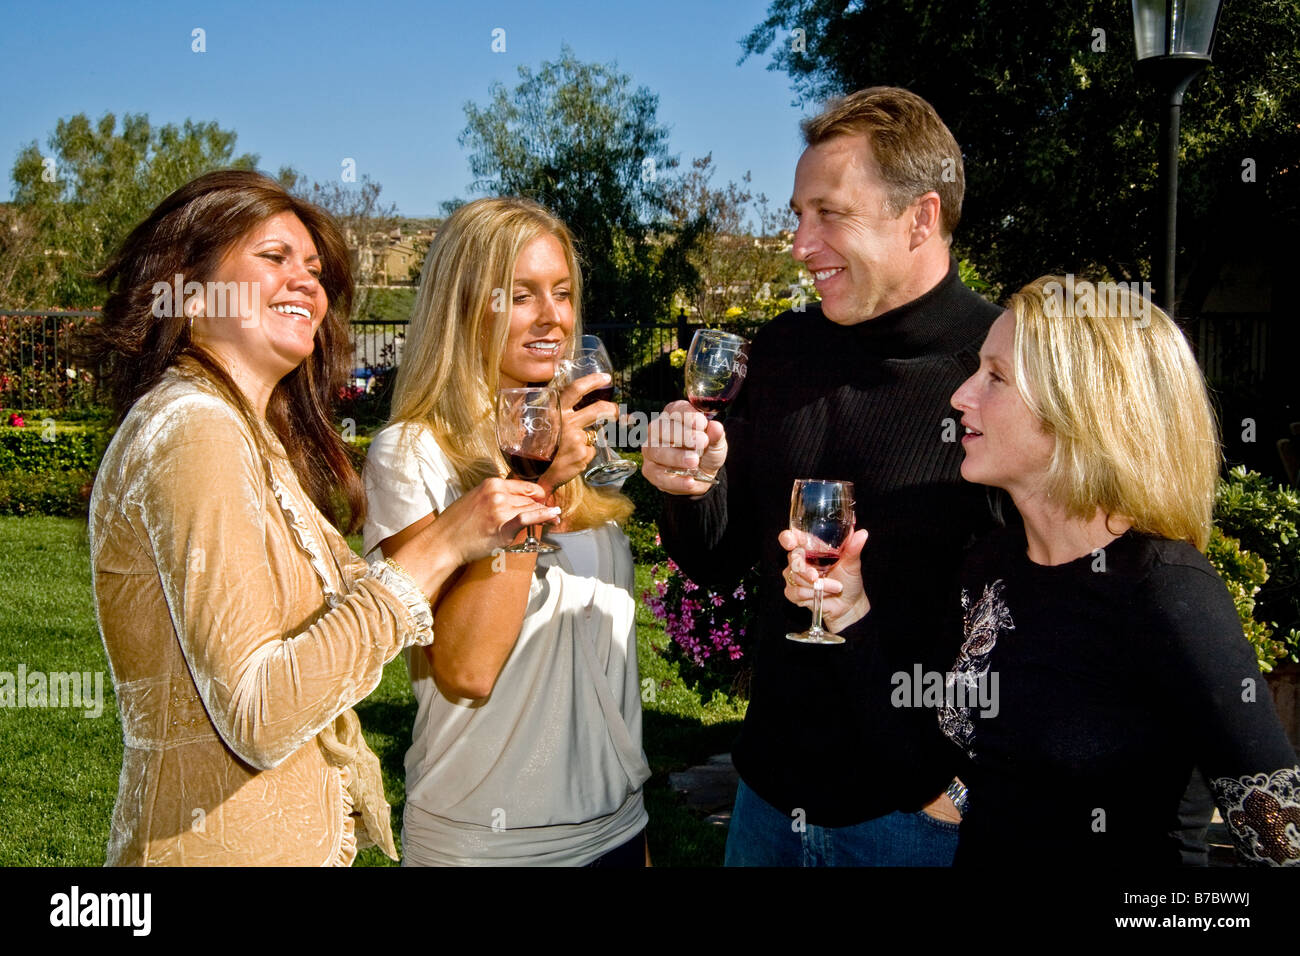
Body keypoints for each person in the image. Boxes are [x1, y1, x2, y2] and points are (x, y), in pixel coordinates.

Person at [86, 171, 555, 866]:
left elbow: (334, 628)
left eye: (315, 270)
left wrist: (479, 522)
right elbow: (258, 712)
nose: (307, 282)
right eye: (274, 258)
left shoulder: (245, 435)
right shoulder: (195, 430)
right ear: (188, 288)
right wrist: (444, 544)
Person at [785, 276, 1300, 866]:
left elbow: (1282, 847)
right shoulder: (991, 567)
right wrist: (851, 612)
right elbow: (916, 767)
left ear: (1081, 410)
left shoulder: (1166, 590)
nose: (961, 395)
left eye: (996, 377)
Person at [643, 87, 1000, 865]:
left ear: (921, 217)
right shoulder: (782, 353)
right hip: (768, 799)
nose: (801, 243)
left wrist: (959, 786)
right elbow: (719, 556)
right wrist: (688, 489)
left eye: (829, 214)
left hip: (919, 822)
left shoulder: (999, 372)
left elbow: (1059, 597)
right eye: (798, 214)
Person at [362, 196, 651, 867]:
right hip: (486, 844)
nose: (553, 317)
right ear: (467, 306)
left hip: (615, 831)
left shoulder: (585, 451)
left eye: (563, 292)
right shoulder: (414, 455)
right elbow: (465, 670)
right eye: (521, 296)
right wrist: (538, 485)